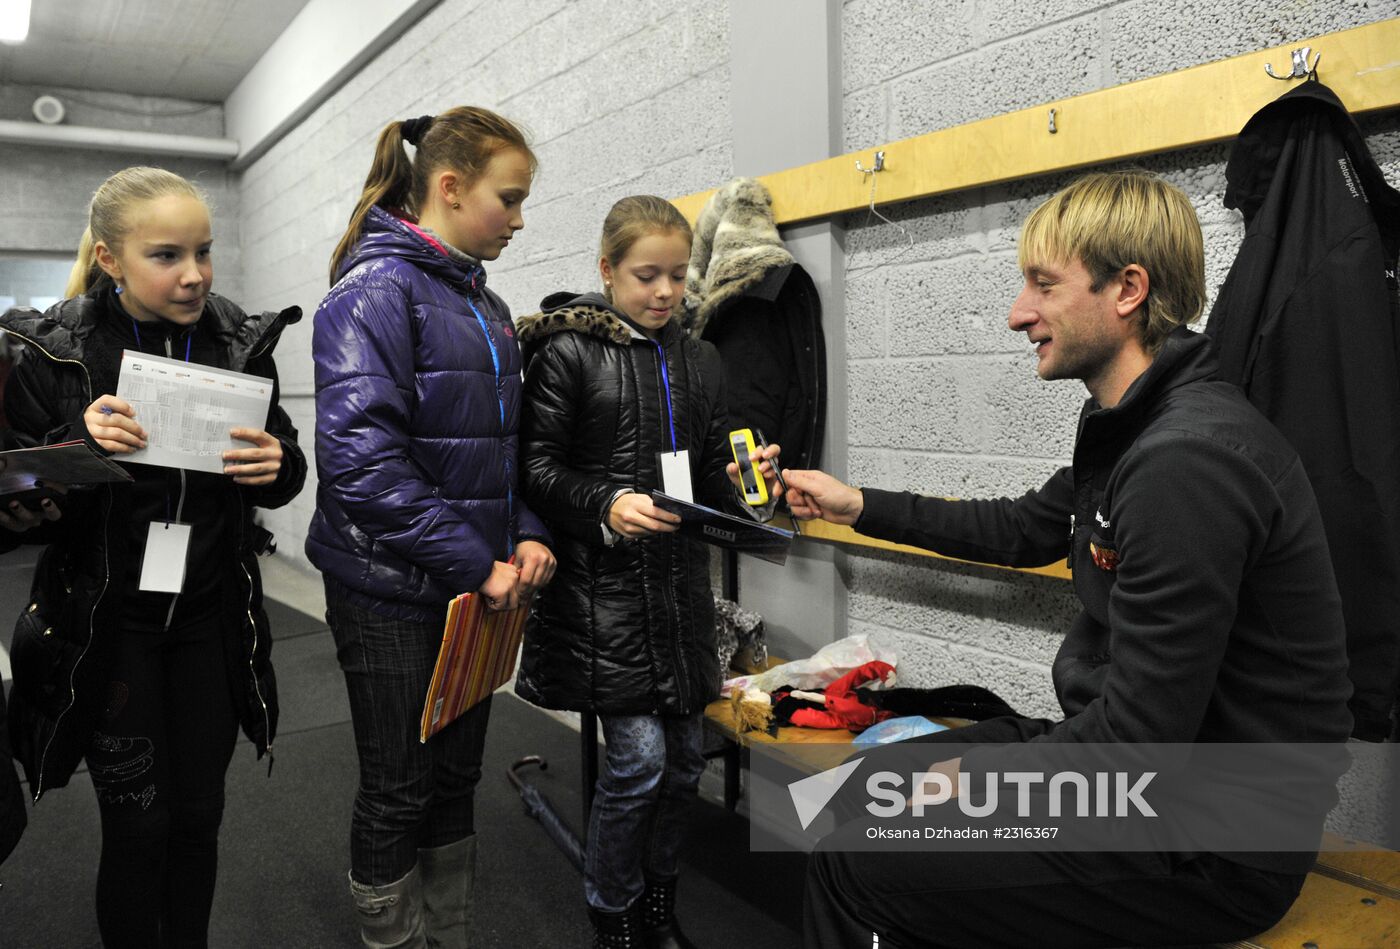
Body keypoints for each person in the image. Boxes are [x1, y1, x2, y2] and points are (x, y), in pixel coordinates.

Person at [782, 170, 1354, 948]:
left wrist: (974, 785)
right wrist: (857, 504)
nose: (1020, 314)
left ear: (1127, 289)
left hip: (1215, 842)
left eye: (1042, 286)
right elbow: (1021, 527)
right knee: (851, 792)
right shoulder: (1133, 422)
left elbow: (1138, 740)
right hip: (1148, 780)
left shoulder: (1187, 462)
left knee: (859, 859)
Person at [0, 166, 306, 947]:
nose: (195, 273)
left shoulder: (238, 341)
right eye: (166, 255)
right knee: (139, 829)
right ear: (110, 259)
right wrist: (67, 448)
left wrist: (280, 465)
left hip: (208, 621)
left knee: (200, 819)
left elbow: (285, 471)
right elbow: (9, 492)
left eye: (203, 251)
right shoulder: (52, 352)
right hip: (111, 631)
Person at [307, 107, 556, 948]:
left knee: (456, 779)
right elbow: (362, 466)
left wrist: (523, 532)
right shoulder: (373, 293)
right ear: (449, 187)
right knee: (398, 787)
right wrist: (475, 562)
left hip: (471, 588)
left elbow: (496, 452)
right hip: (391, 592)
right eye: (509, 199)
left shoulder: (485, 305)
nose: (520, 219)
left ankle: (444, 933)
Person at [514, 195, 781, 949]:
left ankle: (660, 906)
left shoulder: (701, 357)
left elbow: (705, 471)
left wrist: (748, 480)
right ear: (606, 271)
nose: (664, 292)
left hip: (679, 595)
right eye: (644, 276)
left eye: (675, 276)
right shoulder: (568, 351)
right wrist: (607, 501)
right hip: (602, 598)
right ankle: (613, 914)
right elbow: (532, 471)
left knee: (684, 762)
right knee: (636, 762)